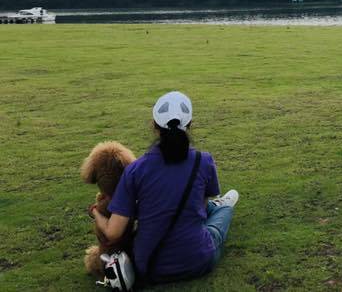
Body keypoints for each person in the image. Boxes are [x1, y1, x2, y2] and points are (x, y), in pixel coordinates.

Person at [91, 91, 239, 283]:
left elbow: (113, 233)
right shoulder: (203, 161)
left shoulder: (135, 170)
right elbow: (200, 209)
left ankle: (213, 207)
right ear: (190, 124)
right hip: (198, 260)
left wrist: (96, 212)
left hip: (149, 268)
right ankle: (220, 206)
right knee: (224, 210)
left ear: (154, 125)